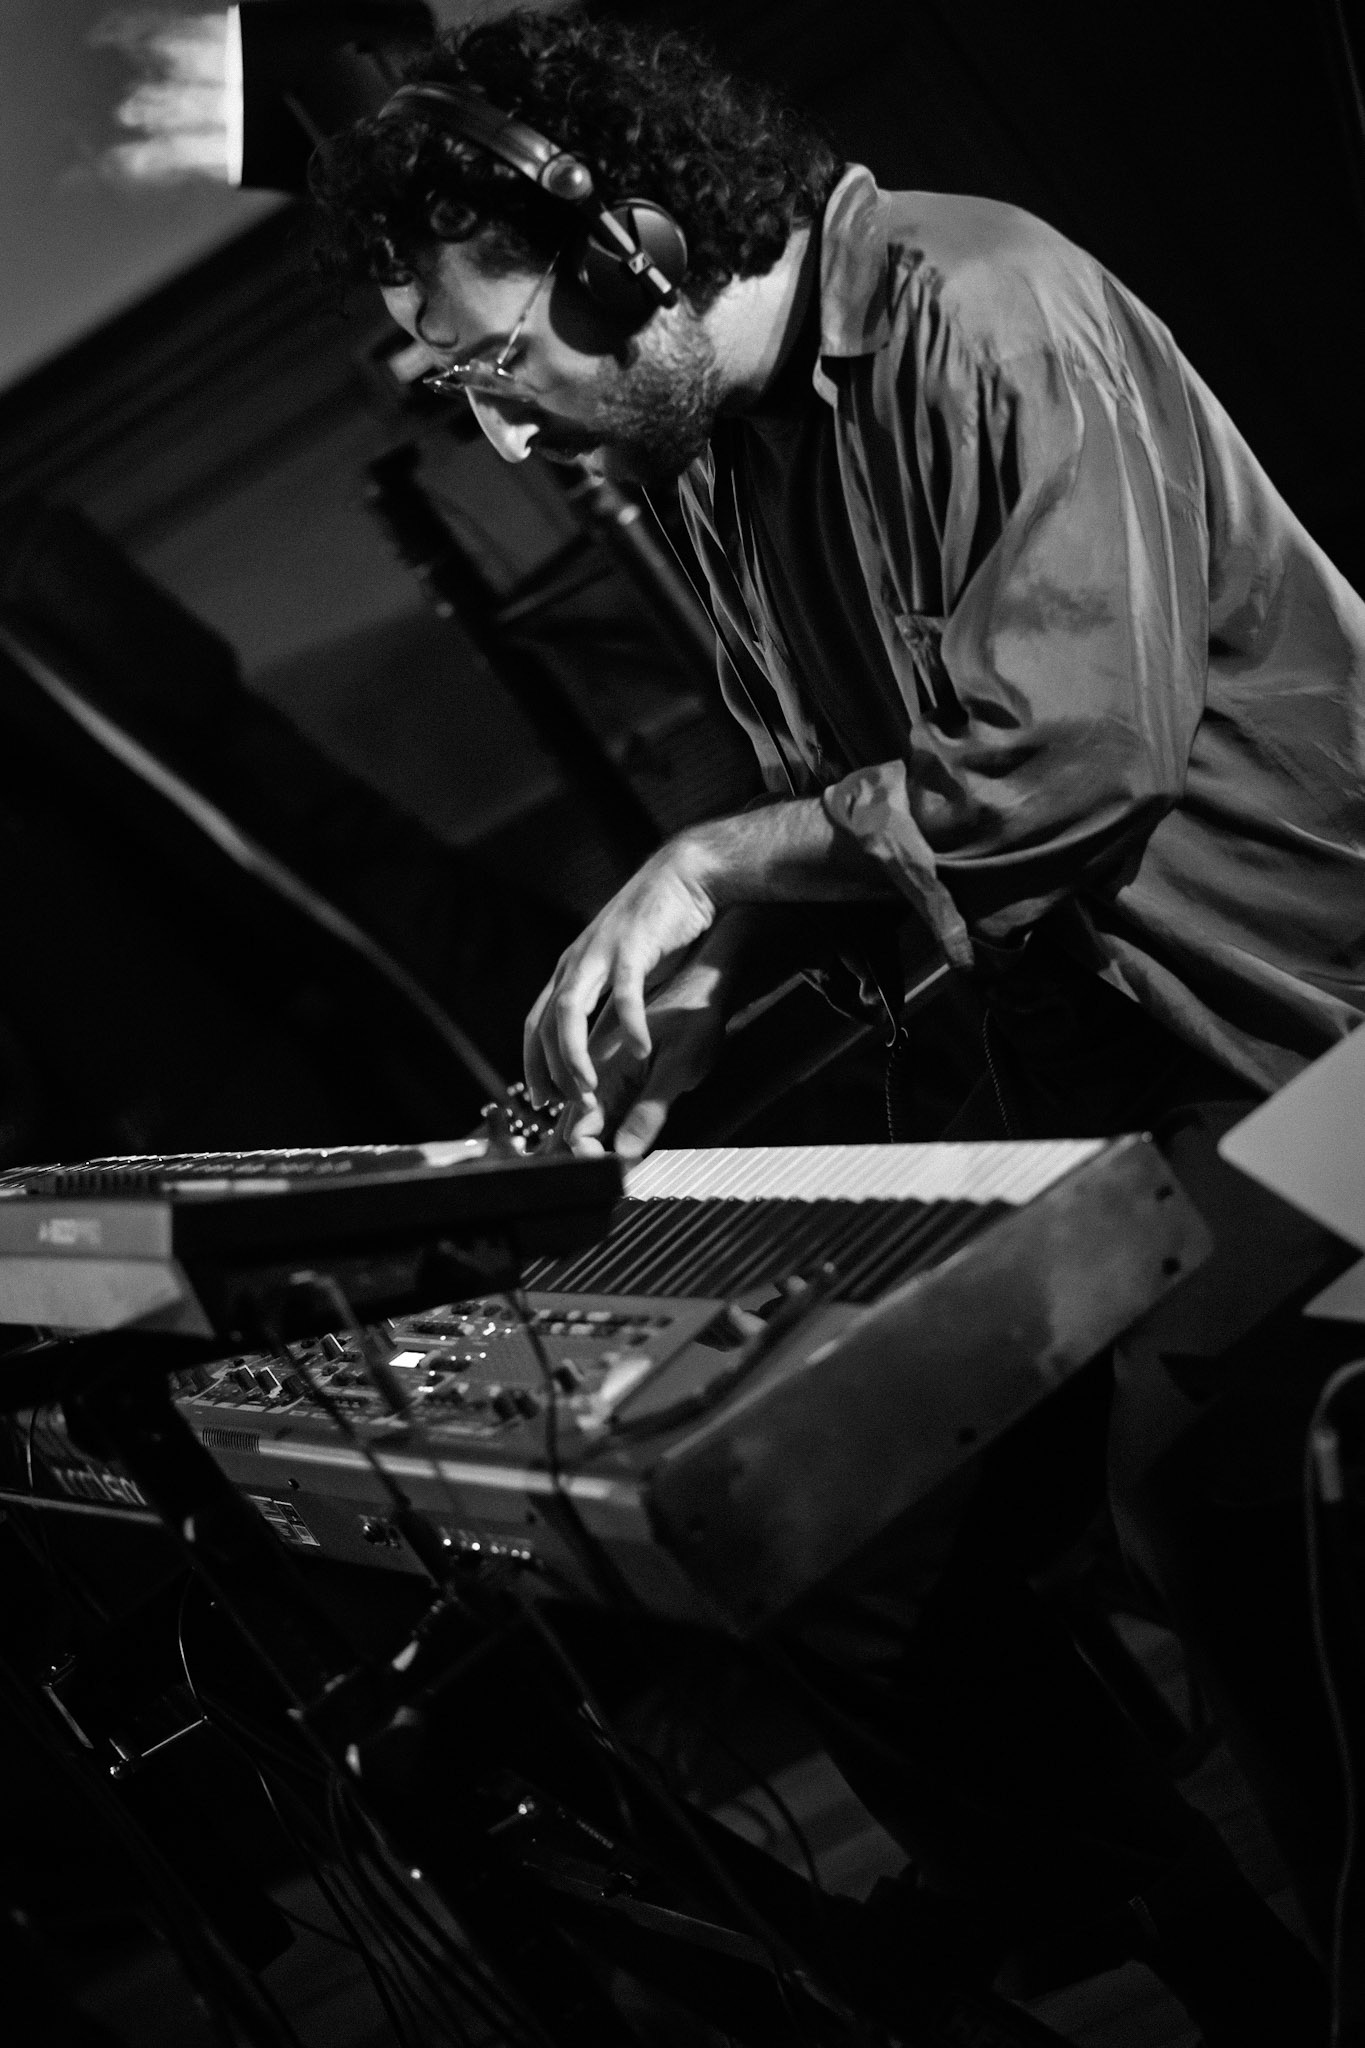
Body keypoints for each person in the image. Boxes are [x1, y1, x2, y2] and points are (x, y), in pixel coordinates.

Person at [310, 11, 1365, 2039]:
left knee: (1202, 1484)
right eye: (456, 398)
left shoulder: (988, 305)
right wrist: (694, 1016)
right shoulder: (714, 451)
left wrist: (708, 871)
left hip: (1327, 1037)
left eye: (499, 365)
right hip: (1135, 1074)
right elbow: (868, 845)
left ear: (621, 244)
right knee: (824, 1510)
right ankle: (1167, 1944)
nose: (505, 438)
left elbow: (1062, 772)